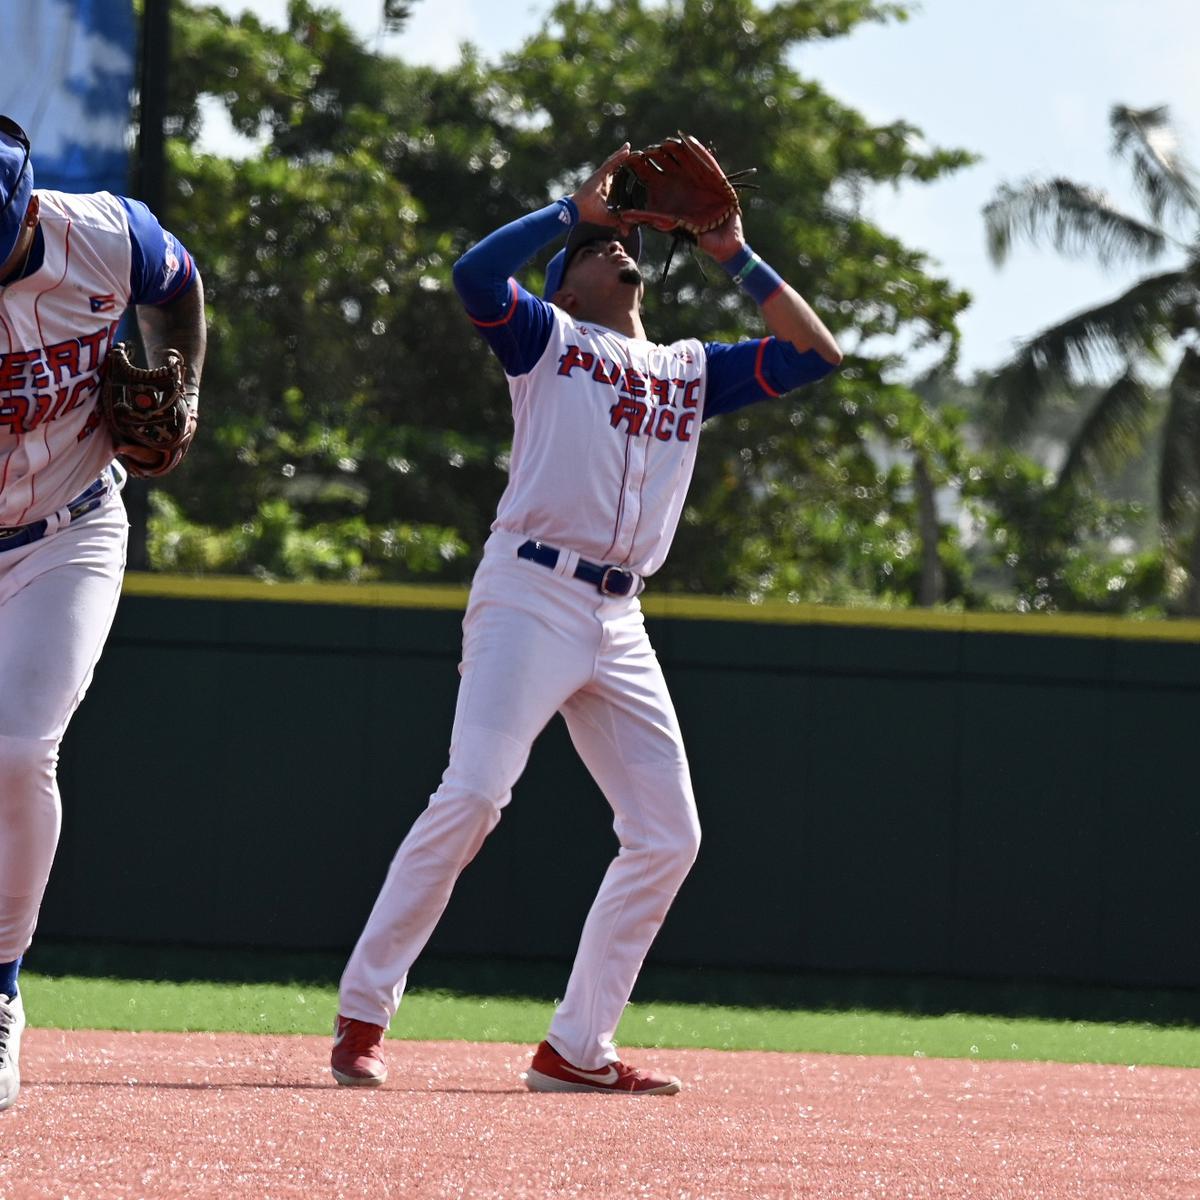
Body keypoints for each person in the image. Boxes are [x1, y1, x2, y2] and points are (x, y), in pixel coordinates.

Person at [331, 143, 840, 1095]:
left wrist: (732, 251)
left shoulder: (691, 370)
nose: (619, 249)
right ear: (563, 287)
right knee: (475, 795)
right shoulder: (546, 342)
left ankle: (577, 1046)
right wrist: (571, 215)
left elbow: (818, 354)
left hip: (620, 617)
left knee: (668, 836)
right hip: (529, 592)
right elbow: (474, 274)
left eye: (622, 244)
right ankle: (364, 1011)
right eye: (601, 248)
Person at [0, 116, 206, 1111]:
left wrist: (189, 391)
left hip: (66, 532)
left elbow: (181, 288)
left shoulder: (107, 234)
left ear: (26, 212)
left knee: (16, 751)